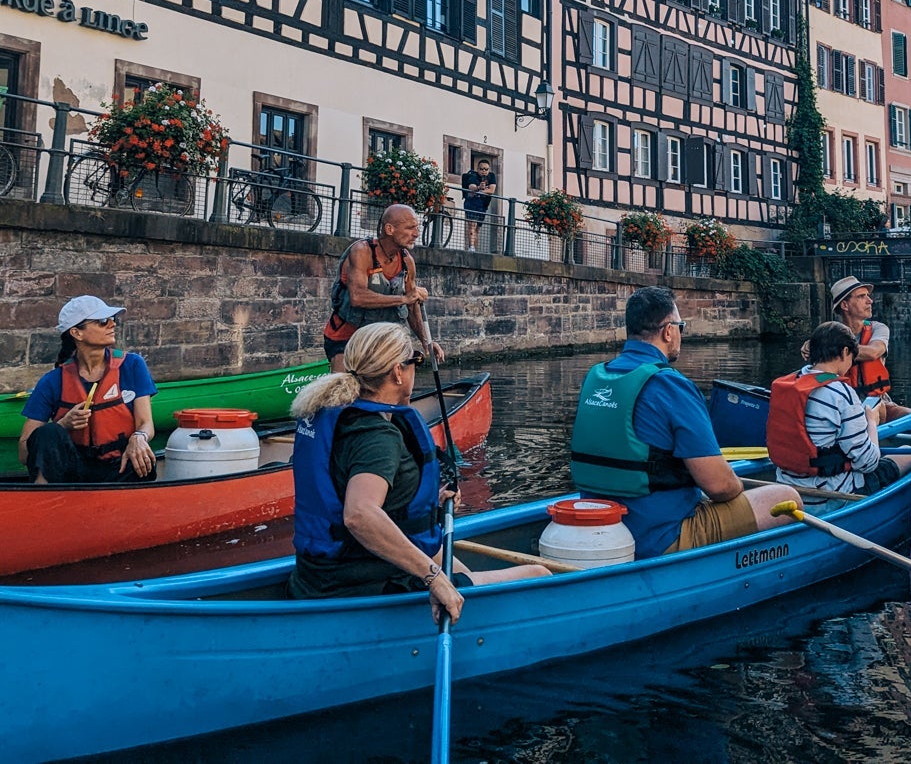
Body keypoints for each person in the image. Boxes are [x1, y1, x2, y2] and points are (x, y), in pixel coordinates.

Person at [289, 322, 546, 618]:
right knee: (539, 574)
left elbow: (350, 486)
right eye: (415, 362)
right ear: (398, 371)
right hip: (363, 584)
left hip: (318, 575)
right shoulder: (375, 437)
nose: (416, 371)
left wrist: (424, 501)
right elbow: (359, 515)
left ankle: (463, 583)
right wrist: (434, 579)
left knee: (453, 564)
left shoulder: (343, 417)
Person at [571, 286, 801, 558]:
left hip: (599, 529)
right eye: (681, 326)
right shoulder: (671, 386)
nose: (680, 334)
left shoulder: (596, 377)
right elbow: (719, 487)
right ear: (668, 331)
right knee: (786, 497)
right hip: (657, 537)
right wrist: (736, 485)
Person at [768, 321, 911, 496]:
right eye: (852, 358)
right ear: (845, 352)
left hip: (790, 492)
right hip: (833, 496)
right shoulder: (841, 393)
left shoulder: (789, 384)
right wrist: (870, 422)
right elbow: (868, 463)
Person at [18, 296, 158, 484]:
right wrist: (62, 425)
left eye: (112, 320)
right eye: (102, 321)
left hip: (120, 467)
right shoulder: (52, 381)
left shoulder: (133, 365)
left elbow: (145, 423)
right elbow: (24, 453)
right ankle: (43, 502)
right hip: (74, 473)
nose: (111, 325)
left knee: (142, 456)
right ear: (76, 333)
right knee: (48, 432)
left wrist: (140, 437)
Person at [323, 203, 445, 374]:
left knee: (400, 385)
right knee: (344, 393)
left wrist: (426, 342)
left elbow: (412, 305)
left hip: (382, 340)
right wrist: (404, 299)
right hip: (347, 338)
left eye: (416, 228)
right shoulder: (362, 252)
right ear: (389, 229)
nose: (416, 234)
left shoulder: (407, 261)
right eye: (410, 228)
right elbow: (357, 297)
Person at [810, 275, 911, 421]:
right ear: (845, 305)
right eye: (861, 296)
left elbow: (873, 352)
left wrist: (826, 347)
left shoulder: (878, 328)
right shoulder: (828, 333)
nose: (870, 301)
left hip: (878, 401)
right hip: (841, 404)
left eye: (868, 296)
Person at [460, 157, 497, 251]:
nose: (484, 171)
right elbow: (471, 187)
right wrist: (478, 187)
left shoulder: (491, 176)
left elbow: (492, 190)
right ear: (478, 169)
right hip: (471, 203)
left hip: (483, 205)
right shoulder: (473, 176)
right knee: (472, 225)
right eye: (481, 169)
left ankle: (474, 248)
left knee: (477, 228)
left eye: (486, 169)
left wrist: (481, 191)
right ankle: (471, 247)